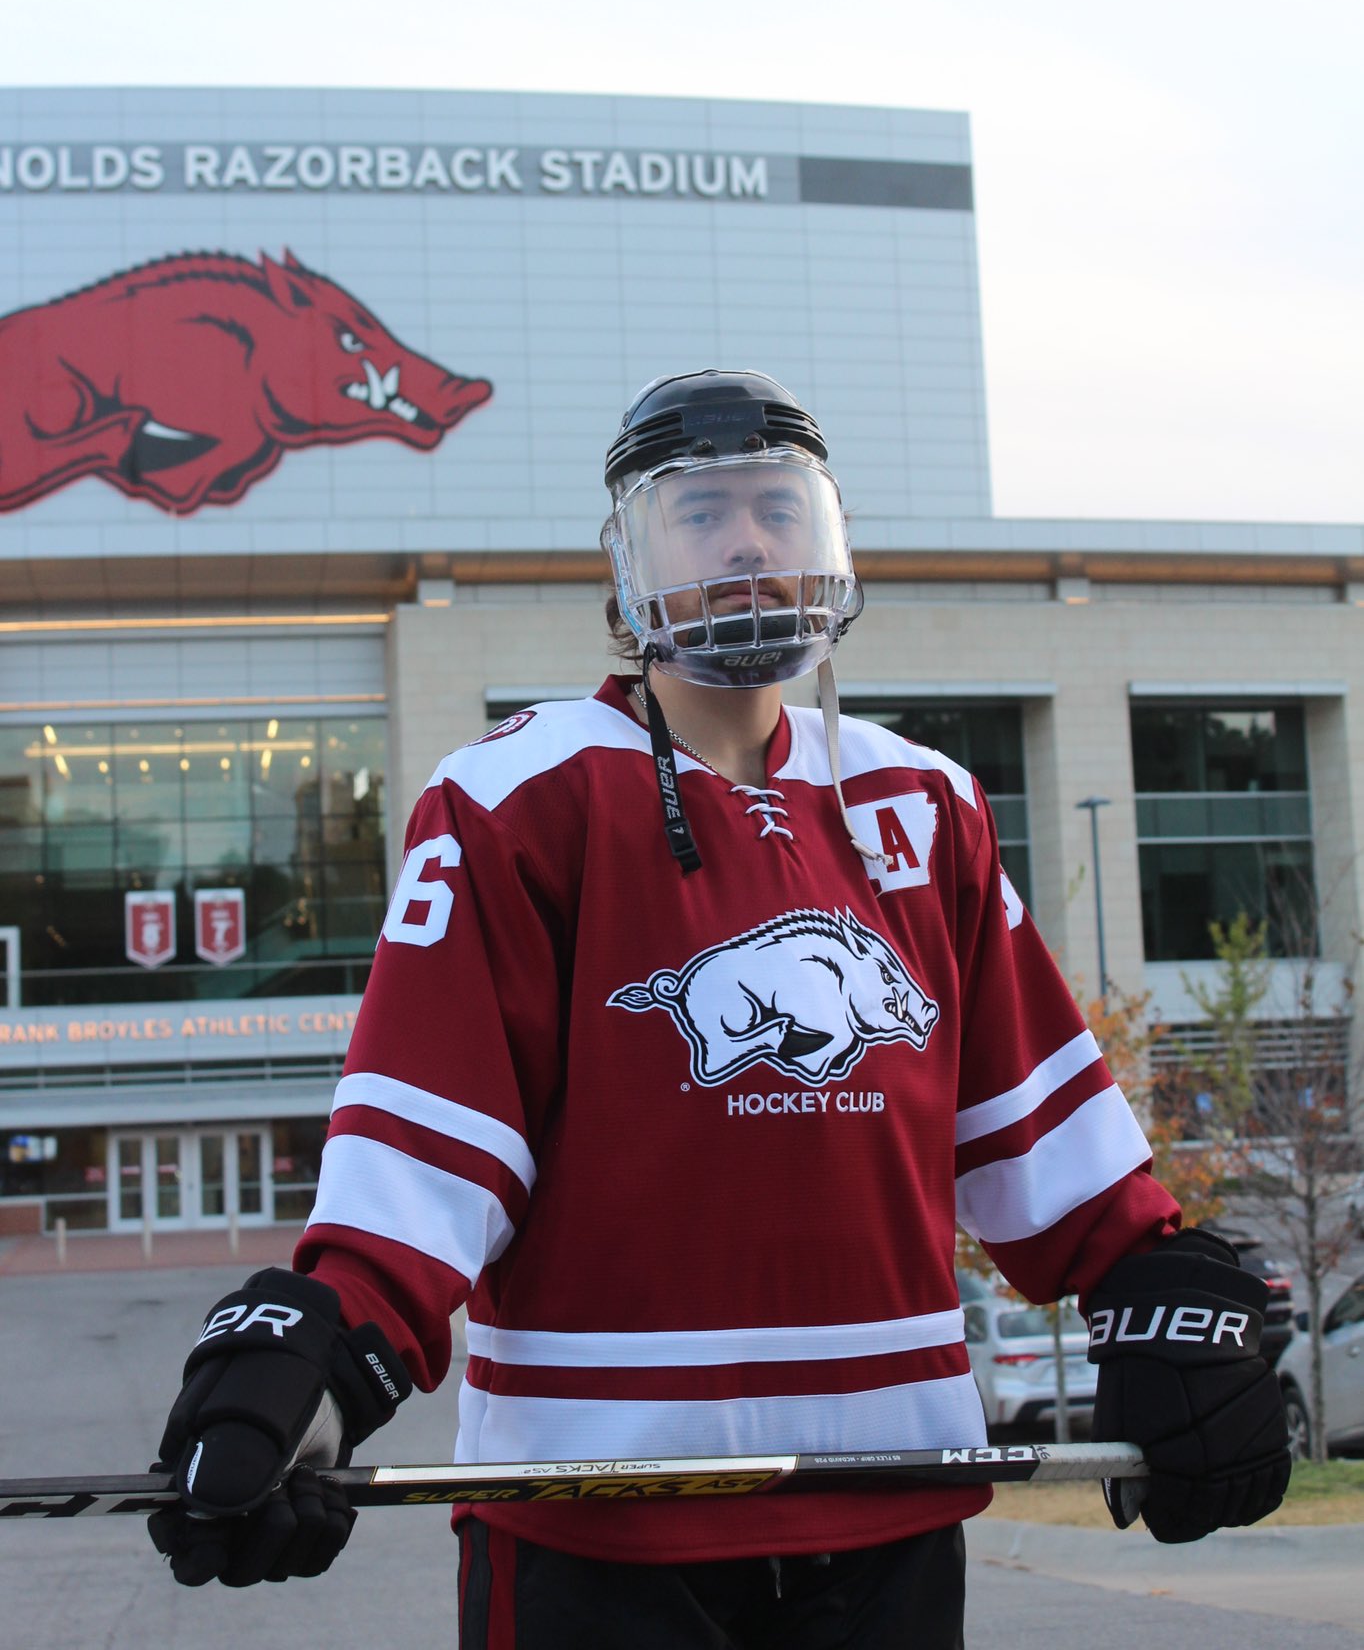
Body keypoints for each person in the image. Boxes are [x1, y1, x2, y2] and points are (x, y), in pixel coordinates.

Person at [148, 370, 1290, 1645]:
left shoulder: (925, 803)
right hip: (596, 1507)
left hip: (891, 1499)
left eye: (776, 507)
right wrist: (327, 1348)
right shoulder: (511, 800)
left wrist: (1159, 1281)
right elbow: (430, 1157)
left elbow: (1034, 1132)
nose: (748, 540)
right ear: (626, 561)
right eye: (699, 513)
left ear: (827, 537)